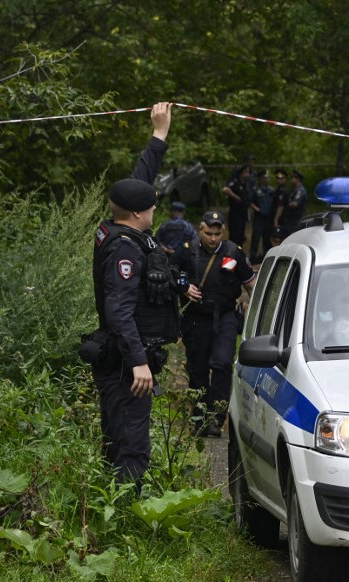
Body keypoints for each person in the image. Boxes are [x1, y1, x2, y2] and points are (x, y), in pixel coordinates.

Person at [88, 102, 201, 487]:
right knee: (130, 444)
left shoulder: (122, 225)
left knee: (121, 437)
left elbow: (139, 182)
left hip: (126, 358)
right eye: (151, 203)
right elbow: (118, 310)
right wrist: (138, 362)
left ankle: (112, 509)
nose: (156, 205)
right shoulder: (125, 249)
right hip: (125, 365)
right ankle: (124, 523)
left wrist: (159, 135)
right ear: (137, 213)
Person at [182, 210, 257, 436]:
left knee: (223, 364)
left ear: (223, 231)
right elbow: (171, 275)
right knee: (198, 369)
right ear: (200, 230)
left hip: (224, 315)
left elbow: (250, 284)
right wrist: (183, 288)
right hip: (196, 317)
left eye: (217, 234)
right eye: (208, 233)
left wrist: (257, 313)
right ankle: (198, 419)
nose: (213, 239)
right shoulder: (188, 252)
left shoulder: (233, 252)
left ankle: (216, 418)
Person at [155, 200, 197, 279]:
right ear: (183, 212)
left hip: (167, 259)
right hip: (185, 259)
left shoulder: (164, 226)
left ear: (171, 212)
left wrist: (166, 249)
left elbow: (157, 241)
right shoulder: (189, 227)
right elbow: (195, 242)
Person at [249, 169, 275, 264]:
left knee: (267, 238)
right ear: (260, 179)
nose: (266, 179)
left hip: (268, 218)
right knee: (256, 237)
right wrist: (257, 209)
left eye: (267, 177)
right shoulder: (255, 189)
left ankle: (267, 256)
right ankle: (253, 257)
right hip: (259, 217)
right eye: (264, 178)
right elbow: (250, 202)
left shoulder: (271, 190)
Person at [222, 165, 252, 246]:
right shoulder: (235, 182)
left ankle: (239, 255)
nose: (248, 175)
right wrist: (236, 197)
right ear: (241, 174)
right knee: (235, 236)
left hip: (243, 213)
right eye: (246, 172)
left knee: (241, 237)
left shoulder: (245, 184)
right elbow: (225, 189)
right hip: (235, 214)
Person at [274, 169, 307, 236]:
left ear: (297, 179)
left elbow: (295, 204)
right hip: (290, 221)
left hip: (295, 221)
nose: (290, 179)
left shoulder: (300, 191)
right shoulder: (294, 190)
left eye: (292, 177)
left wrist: (284, 205)